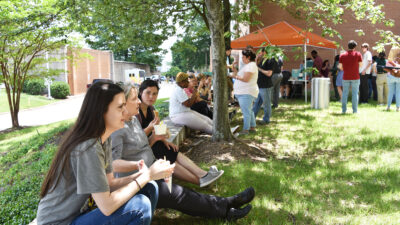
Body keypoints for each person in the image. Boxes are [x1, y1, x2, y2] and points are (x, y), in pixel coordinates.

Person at [36, 81, 175, 225]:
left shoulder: (104, 139)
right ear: (102, 111)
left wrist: (143, 175)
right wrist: (148, 175)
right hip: (60, 223)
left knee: (150, 186)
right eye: (120, 107)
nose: (125, 111)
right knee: (139, 207)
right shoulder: (87, 147)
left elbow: (110, 183)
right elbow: (107, 206)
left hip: (79, 216)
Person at [111, 84, 254, 221]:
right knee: (180, 195)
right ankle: (226, 207)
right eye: (134, 98)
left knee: (182, 194)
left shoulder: (133, 121)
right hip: (137, 181)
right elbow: (113, 163)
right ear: (122, 102)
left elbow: (140, 147)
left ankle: (226, 206)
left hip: (152, 171)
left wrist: (155, 138)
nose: (139, 101)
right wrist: (141, 166)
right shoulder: (118, 128)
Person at [137, 80, 222, 186]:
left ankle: (203, 176)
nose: (151, 97)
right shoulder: (136, 111)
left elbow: (157, 128)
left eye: (154, 94)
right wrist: (150, 129)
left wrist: (165, 140)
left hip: (151, 143)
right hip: (140, 150)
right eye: (148, 93)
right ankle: (201, 179)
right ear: (141, 92)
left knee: (170, 149)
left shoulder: (151, 109)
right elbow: (135, 139)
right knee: (165, 153)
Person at [229, 49, 259, 135]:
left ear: (248, 57)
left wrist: (234, 76)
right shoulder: (249, 65)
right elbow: (241, 75)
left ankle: (246, 130)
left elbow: (245, 79)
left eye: (243, 57)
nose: (242, 58)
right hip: (245, 92)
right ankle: (252, 127)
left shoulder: (251, 66)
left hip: (246, 92)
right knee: (249, 111)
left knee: (246, 112)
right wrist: (234, 70)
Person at [339, 40, 362, 114]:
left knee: (344, 93)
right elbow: (361, 65)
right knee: (355, 94)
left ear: (348, 46)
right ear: (354, 47)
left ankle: (343, 110)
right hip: (355, 76)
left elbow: (340, 67)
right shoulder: (358, 54)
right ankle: (355, 111)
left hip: (345, 77)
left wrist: (346, 69)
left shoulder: (342, 55)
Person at [252, 48, 273, 125]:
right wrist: (256, 59)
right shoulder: (261, 60)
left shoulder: (270, 61)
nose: (259, 54)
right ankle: (252, 117)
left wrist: (259, 69)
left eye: (260, 52)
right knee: (257, 102)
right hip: (259, 85)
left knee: (266, 104)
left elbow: (269, 73)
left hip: (266, 86)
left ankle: (266, 119)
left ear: (265, 52)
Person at [385, 47, 400, 111]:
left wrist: (391, 71)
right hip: (398, 77)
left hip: (390, 77)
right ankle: (398, 107)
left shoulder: (389, 61)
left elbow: (385, 68)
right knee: (398, 92)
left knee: (390, 92)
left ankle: (388, 106)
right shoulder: (398, 60)